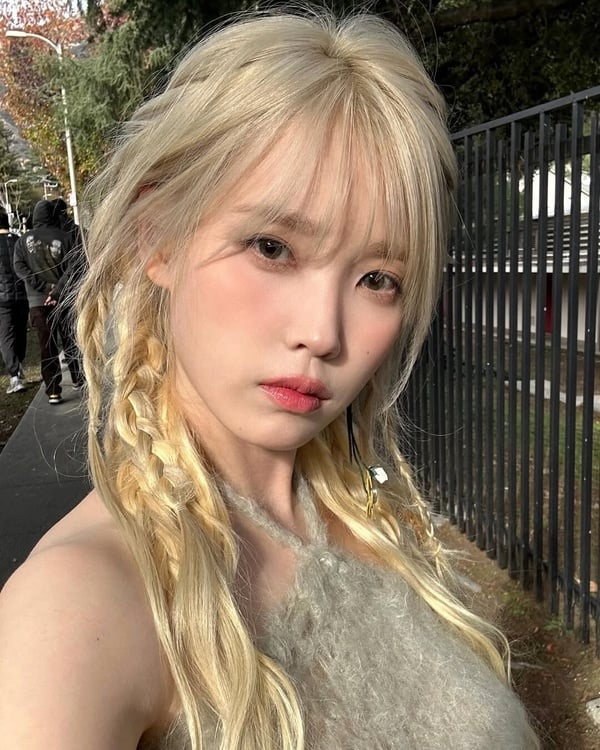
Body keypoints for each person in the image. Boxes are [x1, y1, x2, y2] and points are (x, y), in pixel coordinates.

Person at [0, 10, 539, 749]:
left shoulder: (373, 516)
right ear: (158, 236)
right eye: (273, 247)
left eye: (378, 278)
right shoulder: (79, 607)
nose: (323, 332)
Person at [12, 198, 84, 404]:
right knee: (70, 341)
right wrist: (57, 290)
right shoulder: (66, 238)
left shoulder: (22, 242)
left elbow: (20, 268)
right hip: (64, 299)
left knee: (47, 345)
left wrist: (43, 288)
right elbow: (73, 268)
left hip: (37, 302)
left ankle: (53, 390)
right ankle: (78, 379)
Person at [0, 208, 28, 394]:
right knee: (20, 332)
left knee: (6, 336)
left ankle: (14, 375)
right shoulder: (19, 241)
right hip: (22, 295)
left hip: (2, 298)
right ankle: (20, 365)